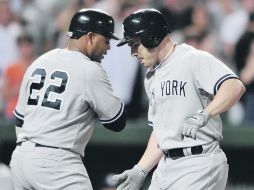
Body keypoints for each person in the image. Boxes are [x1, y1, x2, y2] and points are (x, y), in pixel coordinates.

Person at [113, 9, 246, 190]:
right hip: (167, 166)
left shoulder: (192, 58)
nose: (133, 53)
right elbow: (161, 132)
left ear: (152, 37)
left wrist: (205, 114)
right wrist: (141, 170)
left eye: (135, 45)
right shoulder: (151, 77)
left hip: (200, 161)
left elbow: (234, 86)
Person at [10, 9, 126, 190]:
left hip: (20, 160)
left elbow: (20, 118)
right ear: (90, 37)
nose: (108, 47)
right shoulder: (90, 69)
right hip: (56, 163)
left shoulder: (40, 61)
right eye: (106, 40)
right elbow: (117, 121)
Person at [1, 33, 35, 119]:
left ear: (32, 46)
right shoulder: (12, 68)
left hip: (35, 109)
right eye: (21, 46)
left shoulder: (39, 65)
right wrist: (21, 86)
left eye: (27, 46)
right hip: (15, 110)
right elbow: (5, 94)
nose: (24, 49)